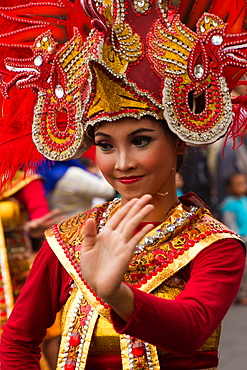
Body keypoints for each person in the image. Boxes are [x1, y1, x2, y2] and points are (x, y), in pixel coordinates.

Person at [0, 0, 247, 369]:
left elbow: (191, 331)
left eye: (141, 140)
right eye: (105, 145)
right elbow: (17, 342)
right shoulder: (70, 240)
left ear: (179, 141)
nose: (122, 163)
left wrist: (115, 293)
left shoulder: (216, 247)